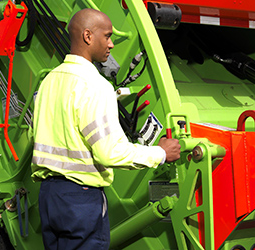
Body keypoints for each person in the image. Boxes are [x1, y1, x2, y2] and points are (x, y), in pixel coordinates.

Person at [31, 8, 182, 250]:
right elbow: (109, 152)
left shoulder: (48, 81)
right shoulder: (94, 85)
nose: (111, 44)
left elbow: (35, 134)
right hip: (81, 199)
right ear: (88, 36)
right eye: (107, 36)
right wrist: (161, 153)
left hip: (50, 197)